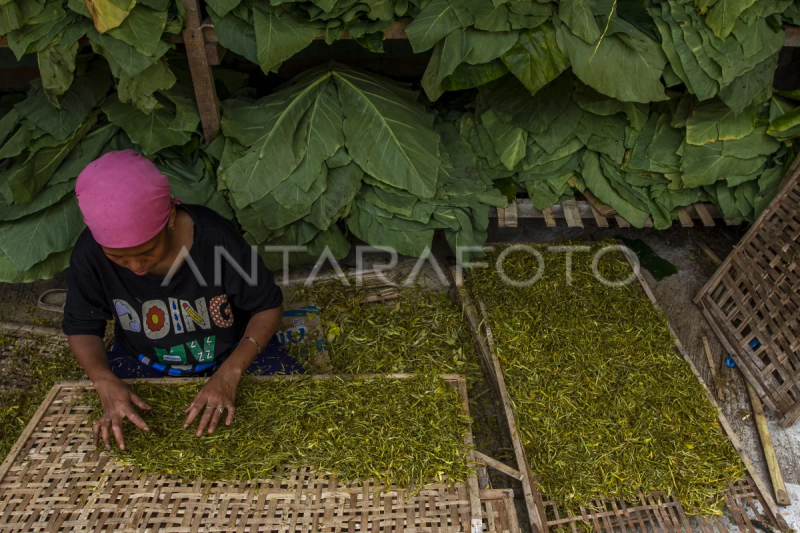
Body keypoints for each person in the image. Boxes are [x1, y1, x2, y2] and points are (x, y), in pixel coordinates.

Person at [62, 150, 301, 451]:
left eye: (147, 251)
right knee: (124, 433)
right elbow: (82, 325)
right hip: (144, 360)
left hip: (229, 354)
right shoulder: (89, 254)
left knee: (291, 406)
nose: (136, 267)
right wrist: (102, 379)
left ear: (171, 218)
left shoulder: (215, 239)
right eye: (118, 257)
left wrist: (230, 373)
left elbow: (267, 306)